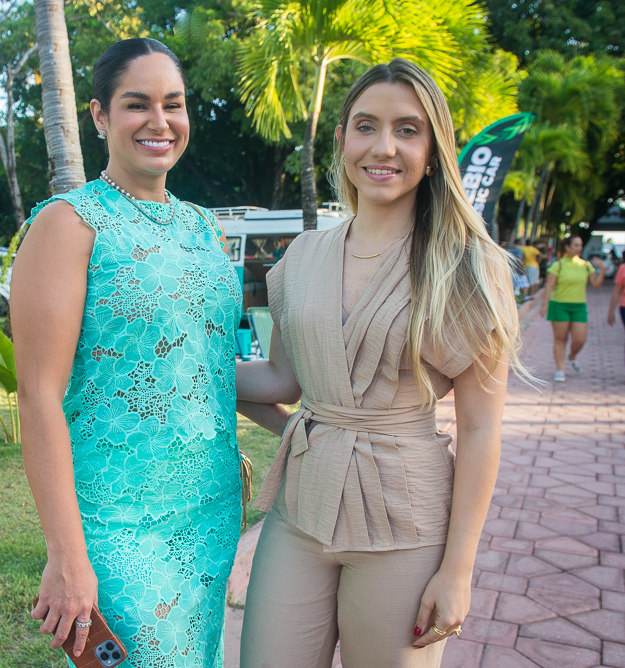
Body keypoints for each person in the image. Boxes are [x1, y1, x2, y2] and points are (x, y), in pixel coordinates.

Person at [235, 59, 520, 668]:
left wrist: (458, 571)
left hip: (405, 525)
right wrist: (182, 368)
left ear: (434, 148)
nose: (383, 147)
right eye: (366, 126)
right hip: (300, 514)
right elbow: (282, 380)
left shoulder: (468, 267)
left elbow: (479, 429)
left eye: (408, 130)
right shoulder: (302, 257)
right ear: (342, 140)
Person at [12, 38, 241, 666]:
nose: (159, 122)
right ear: (98, 116)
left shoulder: (203, 226)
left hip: (210, 511)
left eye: (174, 104)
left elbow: (205, 365)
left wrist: (316, 416)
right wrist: (66, 554)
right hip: (117, 523)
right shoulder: (69, 223)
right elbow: (38, 395)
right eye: (137, 104)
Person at [539, 235, 605, 381]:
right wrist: (545, 306)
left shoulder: (585, 265)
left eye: (580, 245)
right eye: (576, 245)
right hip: (559, 305)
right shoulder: (558, 265)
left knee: (580, 339)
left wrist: (601, 269)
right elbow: (549, 286)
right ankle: (560, 370)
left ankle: (573, 356)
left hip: (579, 306)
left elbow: (596, 284)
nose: (579, 248)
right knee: (560, 338)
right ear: (567, 247)